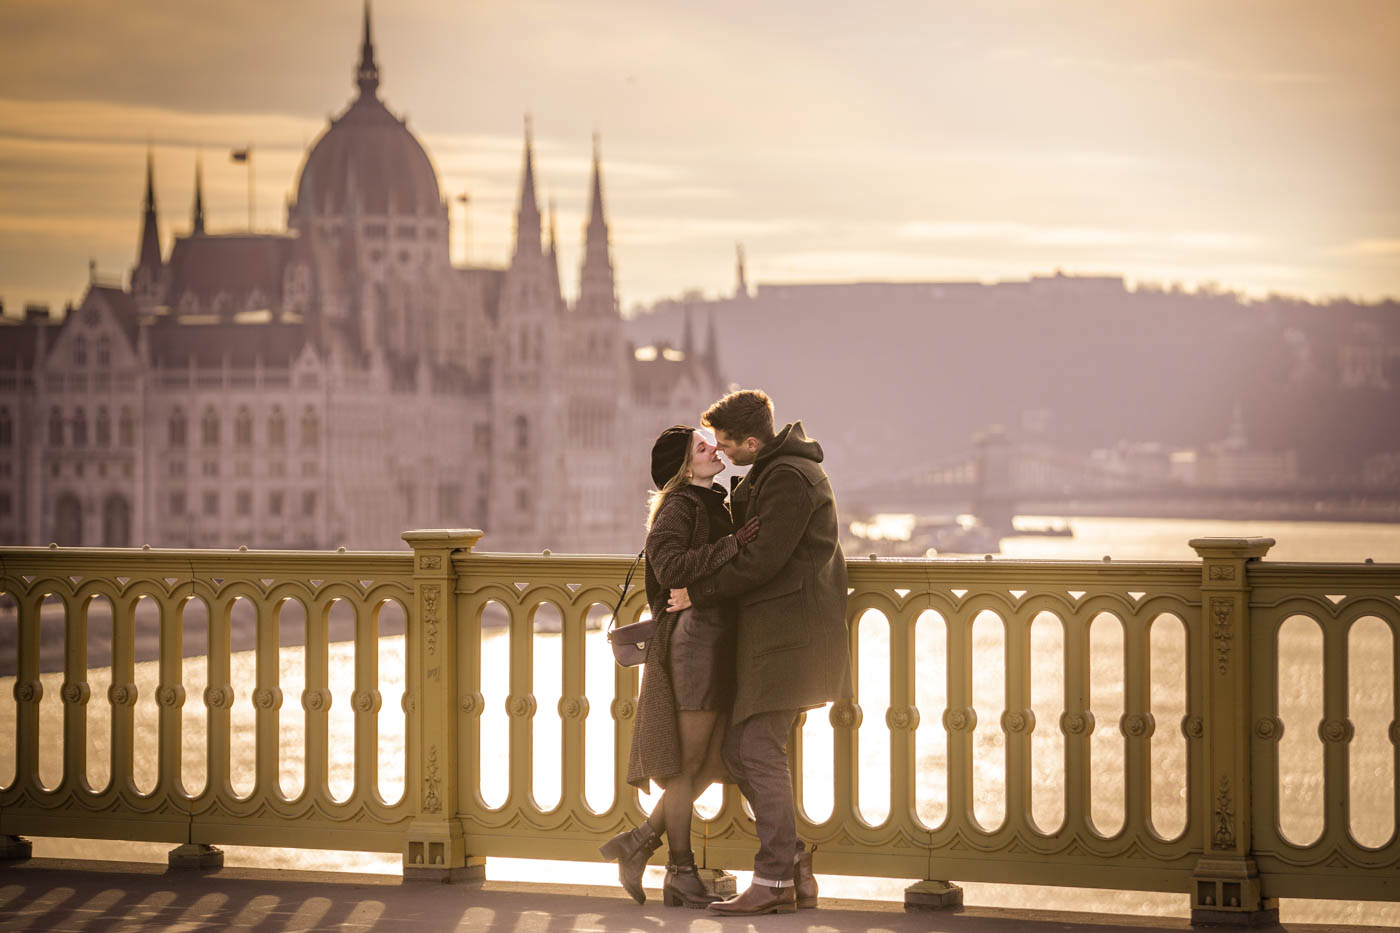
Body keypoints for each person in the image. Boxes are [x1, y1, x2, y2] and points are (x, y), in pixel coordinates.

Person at [668, 389, 852, 916]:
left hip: (787, 637)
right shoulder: (776, 471)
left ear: (753, 440)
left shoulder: (788, 479)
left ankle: (773, 880)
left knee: (755, 749)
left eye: (726, 443)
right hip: (775, 635)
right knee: (736, 750)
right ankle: (791, 864)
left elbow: (764, 560)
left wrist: (697, 592)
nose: (720, 452)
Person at [599, 425, 760, 908]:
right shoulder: (681, 506)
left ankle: (641, 842)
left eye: (712, 442)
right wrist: (733, 546)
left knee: (712, 760)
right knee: (689, 766)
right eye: (702, 447)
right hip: (694, 644)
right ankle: (680, 871)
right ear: (684, 467)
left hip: (712, 641)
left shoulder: (709, 501)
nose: (715, 449)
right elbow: (669, 569)